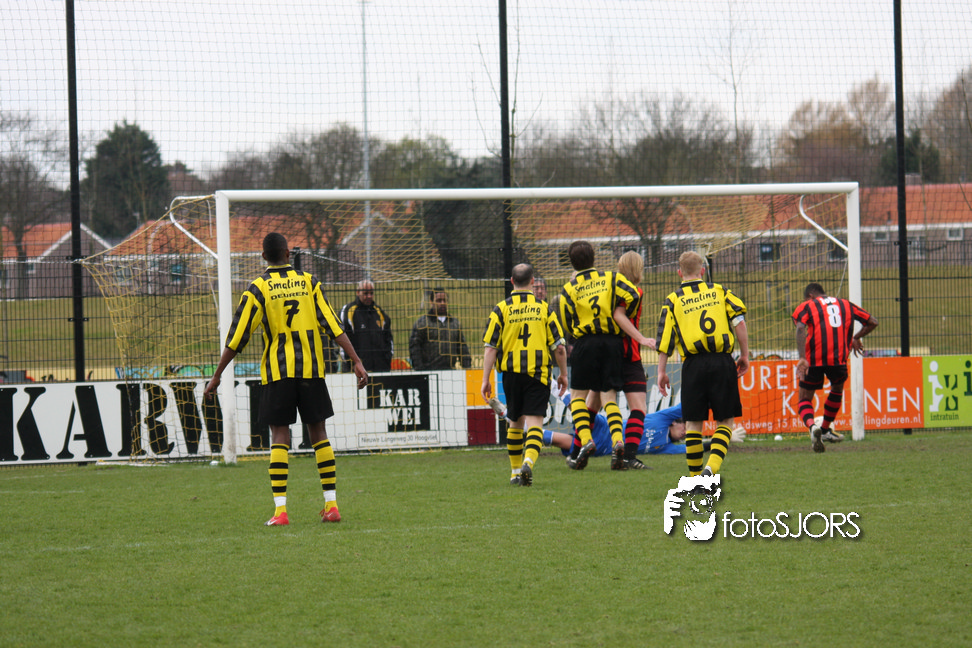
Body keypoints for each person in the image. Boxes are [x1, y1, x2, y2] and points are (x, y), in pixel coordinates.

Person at [203, 232, 369, 527]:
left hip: (277, 373)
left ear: (263, 257)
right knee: (319, 432)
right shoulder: (309, 282)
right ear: (288, 254)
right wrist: (356, 360)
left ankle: (281, 511)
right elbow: (333, 324)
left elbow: (237, 336)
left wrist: (217, 375)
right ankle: (331, 506)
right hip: (311, 370)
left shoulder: (258, 288)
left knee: (280, 435)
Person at [559, 240, 652, 471]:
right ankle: (619, 444)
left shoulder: (570, 287)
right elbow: (633, 295)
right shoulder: (611, 279)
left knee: (581, 398)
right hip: (614, 345)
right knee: (611, 399)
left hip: (586, 343)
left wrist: (577, 333)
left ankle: (582, 444)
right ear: (594, 257)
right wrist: (628, 322)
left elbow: (566, 318)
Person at [655, 250, 749, 477]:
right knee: (725, 420)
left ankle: (695, 477)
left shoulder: (673, 300)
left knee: (693, 424)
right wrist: (745, 355)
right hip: (721, 361)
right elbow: (739, 323)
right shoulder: (720, 291)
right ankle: (711, 468)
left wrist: (661, 371)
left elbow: (665, 340)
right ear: (703, 271)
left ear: (679, 273)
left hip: (692, 365)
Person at [481, 263, 568, 486]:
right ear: (532, 282)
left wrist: (485, 379)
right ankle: (528, 462)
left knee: (515, 422)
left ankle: (514, 472)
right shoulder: (544, 308)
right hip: (537, 374)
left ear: (512, 281)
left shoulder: (500, 309)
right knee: (535, 424)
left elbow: (490, 348)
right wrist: (563, 374)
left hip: (511, 375)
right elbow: (559, 347)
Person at [792, 282, 878, 453]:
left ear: (810, 296)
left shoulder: (807, 306)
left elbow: (800, 327)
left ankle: (812, 427)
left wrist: (802, 357)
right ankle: (824, 430)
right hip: (838, 359)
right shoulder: (846, 304)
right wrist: (855, 337)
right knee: (837, 390)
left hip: (813, 359)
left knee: (804, 398)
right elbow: (873, 322)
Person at [409, 287, 472, 370]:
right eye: (439, 300)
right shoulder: (422, 323)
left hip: (450, 370)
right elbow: (414, 348)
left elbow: (462, 348)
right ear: (431, 302)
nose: (442, 303)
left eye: (444, 300)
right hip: (429, 370)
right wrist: (419, 369)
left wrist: (467, 367)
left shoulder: (454, 323)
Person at [339, 279, 394, 372]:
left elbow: (388, 338)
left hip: (380, 369)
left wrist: (386, 360)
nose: (369, 296)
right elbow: (343, 338)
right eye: (365, 293)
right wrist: (351, 364)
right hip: (356, 370)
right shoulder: (349, 311)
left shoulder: (379, 312)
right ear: (358, 292)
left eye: (371, 293)